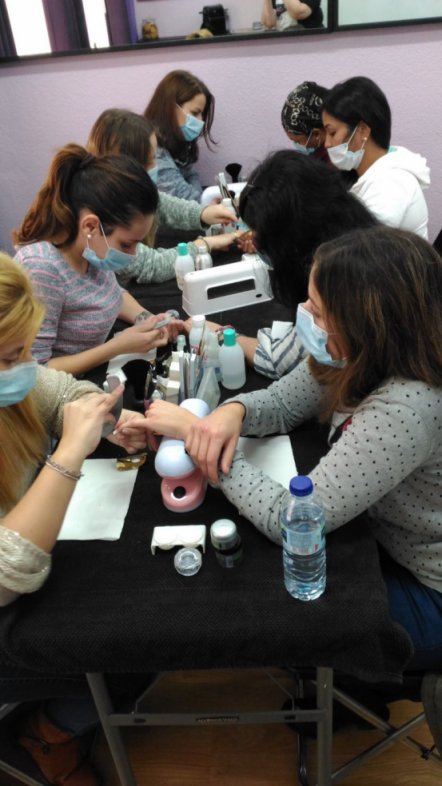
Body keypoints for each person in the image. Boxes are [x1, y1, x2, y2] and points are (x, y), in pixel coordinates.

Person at [123, 226, 442, 671]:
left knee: (283, 613)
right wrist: (231, 411)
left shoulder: (407, 407)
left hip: (425, 581)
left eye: (317, 308)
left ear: (366, 321)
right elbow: (280, 402)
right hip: (381, 530)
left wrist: (197, 435)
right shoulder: (354, 353)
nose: (303, 316)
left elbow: (292, 520)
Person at [0, 252, 149, 783]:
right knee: (137, 640)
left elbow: (60, 391)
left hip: (34, 556)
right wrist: (67, 457)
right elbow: (8, 576)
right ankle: (47, 733)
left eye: (23, 353)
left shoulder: (15, 381)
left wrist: (109, 418)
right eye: (9, 357)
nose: (24, 368)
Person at [204, 150, 377, 378]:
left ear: (290, 236)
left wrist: (221, 335)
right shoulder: (351, 226)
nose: (256, 242)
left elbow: (283, 359)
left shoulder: (338, 276)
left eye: (263, 237)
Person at [13, 144, 178, 376]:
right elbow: (35, 371)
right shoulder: (42, 270)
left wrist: (146, 319)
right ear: (91, 226)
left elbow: (111, 292)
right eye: (126, 244)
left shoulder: (88, 249)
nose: (132, 255)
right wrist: (117, 347)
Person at [86, 108, 240, 285]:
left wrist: (204, 214)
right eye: (151, 159)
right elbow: (151, 265)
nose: (156, 165)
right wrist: (206, 244)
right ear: (128, 164)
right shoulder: (103, 213)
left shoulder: (127, 191)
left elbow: (164, 205)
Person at [322, 76, 430, 238]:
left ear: (363, 130)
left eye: (332, 133)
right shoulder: (359, 174)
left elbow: (358, 250)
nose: (327, 144)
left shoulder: (392, 183)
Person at [143, 70, 215, 200]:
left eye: (202, 114)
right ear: (171, 108)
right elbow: (187, 201)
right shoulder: (153, 149)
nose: (201, 121)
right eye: (194, 113)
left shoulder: (178, 142)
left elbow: (192, 175)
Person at [281, 81, 329, 164]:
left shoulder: (336, 160)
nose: (296, 145)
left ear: (316, 134)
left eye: (297, 142)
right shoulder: (319, 154)